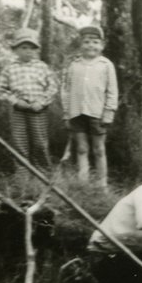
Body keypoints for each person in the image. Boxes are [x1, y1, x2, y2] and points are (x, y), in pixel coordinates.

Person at [61, 25, 118, 188]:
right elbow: (66, 90)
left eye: (95, 42)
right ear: (81, 44)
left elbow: (112, 90)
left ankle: (102, 184)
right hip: (76, 113)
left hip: (97, 113)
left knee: (99, 149)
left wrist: (109, 112)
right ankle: (83, 182)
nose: (90, 45)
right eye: (86, 42)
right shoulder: (74, 65)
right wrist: (66, 113)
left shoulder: (106, 65)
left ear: (102, 45)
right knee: (81, 148)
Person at [0, 28, 57, 174]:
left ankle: (43, 173)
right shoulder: (9, 69)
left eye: (32, 48)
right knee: (20, 142)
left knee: (39, 142)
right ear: (16, 50)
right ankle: (22, 175)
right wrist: (15, 101)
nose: (28, 51)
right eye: (24, 48)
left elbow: (53, 87)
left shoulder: (42, 67)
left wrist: (42, 102)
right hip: (19, 111)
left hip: (38, 110)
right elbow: (2, 91)